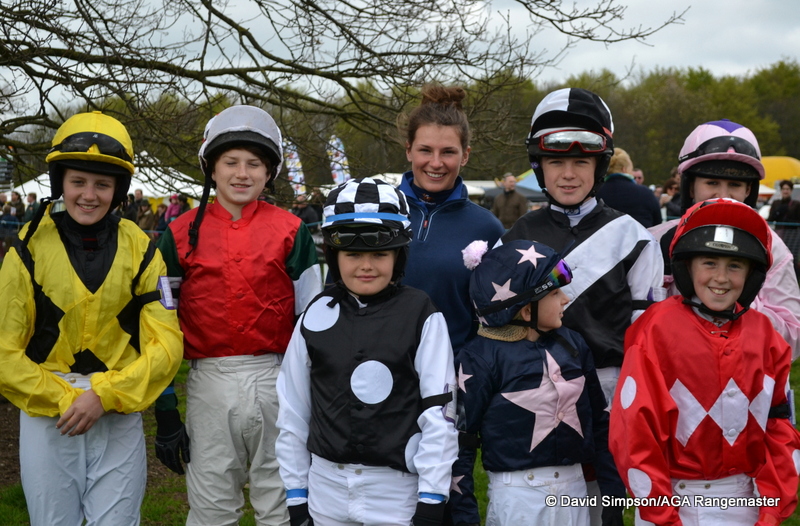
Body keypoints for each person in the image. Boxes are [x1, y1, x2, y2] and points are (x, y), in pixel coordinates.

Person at [0, 111, 183, 525]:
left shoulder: (143, 250)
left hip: (118, 409)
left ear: (118, 190)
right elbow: (3, 351)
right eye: (78, 181)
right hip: (49, 412)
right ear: (59, 182)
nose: (89, 195)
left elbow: (167, 344)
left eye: (102, 184)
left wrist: (102, 396)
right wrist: (68, 399)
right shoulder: (25, 250)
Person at [501, 87, 663, 525]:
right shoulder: (515, 237)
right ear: (539, 165)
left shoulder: (633, 237)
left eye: (581, 162)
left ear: (600, 165)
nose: (568, 174)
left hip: (612, 393)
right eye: (556, 161)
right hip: (537, 394)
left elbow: (645, 337)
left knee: (605, 504)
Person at [155, 105, 322, 526]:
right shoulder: (178, 234)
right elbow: (158, 326)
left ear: (270, 173)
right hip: (209, 380)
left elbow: (313, 319)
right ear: (212, 169)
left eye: (254, 164)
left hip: (277, 377)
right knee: (212, 504)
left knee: (281, 502)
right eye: (231, 162)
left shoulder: (291, 229)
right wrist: (165, 406)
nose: (242, 173)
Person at [277, 177, 458, 526]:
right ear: (334, 254)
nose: (366, 266)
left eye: (379, 254)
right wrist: (296, 495)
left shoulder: (422, 313)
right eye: (353, 254)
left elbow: (440, 412)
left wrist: (432, 499)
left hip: (396, 494)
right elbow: (293, 411)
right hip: (325, 489)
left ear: (398, 256)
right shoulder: (314, 314)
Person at [610, 198, 800, 526]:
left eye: (735, 266)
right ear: (687, 266)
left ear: (752, 274)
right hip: (674, 500)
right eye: (709, 263)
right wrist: (663, 515)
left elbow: (778, 425)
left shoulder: (765, 334)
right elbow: (635, 433)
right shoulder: (656, 329)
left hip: (746, 500)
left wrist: (771, 509)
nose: (722, 278)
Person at [452, 239, 625, 526]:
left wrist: (613, 497)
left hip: (576, 491)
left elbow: (599, 423)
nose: (566, 299)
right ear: (525, 310)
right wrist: (465, 517)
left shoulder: (574, 344)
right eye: (556, 293)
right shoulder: (478, 359)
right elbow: (462, 444)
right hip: (517, 498)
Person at [649, 120, 800, 360]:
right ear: (690, 187)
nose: (723, 195)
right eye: (712, 183)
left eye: (735, 185)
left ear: (749, 191)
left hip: (743, 382)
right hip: (671, 382)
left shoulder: (774, 248)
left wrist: (742, 296)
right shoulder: (654, 241)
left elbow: (792, 338)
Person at [398, 83, 505, 354]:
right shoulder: (380, 213)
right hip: (376, 370)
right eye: (425, 150)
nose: (436, 163)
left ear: (465, 155)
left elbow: (497, 319)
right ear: (409, 150)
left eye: (448, 152)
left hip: (453, 377)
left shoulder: (487, 228)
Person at [597, 147, 662, 228]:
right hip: (641, 238)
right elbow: (657, 223)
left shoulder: (597, 193)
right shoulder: (645, 193)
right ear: (624, 169)